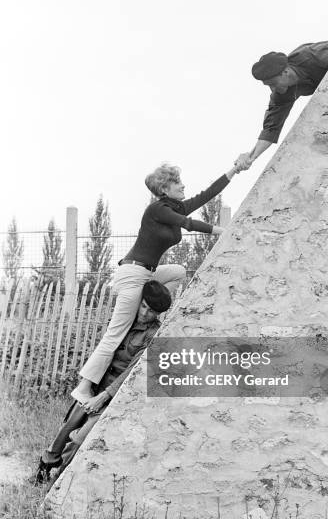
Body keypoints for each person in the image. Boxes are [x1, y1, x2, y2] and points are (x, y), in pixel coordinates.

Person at [72, 160, 247, 402]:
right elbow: (187, 224)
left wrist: (234, 171)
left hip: (146, 273)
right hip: (133, 275)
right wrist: (222, 231)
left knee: (177, 271)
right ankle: (83, 386)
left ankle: (148, 312)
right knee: (115, 333)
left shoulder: (174, 207)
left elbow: (207, 195)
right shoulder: (158, 210)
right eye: (177, 182)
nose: (183, 185)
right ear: (165, 189)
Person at [31, 280, 171, 485]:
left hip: (114, 394)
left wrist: (102, 398)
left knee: (80, 439)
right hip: (97, 382)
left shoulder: (152, 335)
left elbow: (131, 372)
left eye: (151, 311)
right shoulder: (125, 318)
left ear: (157, 314)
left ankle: (58, 480)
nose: (144, 313)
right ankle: (45, 467)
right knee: (69, 425)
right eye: (143, 306)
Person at [235, 30, 328, 170]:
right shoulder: (281, 95)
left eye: (273, 83)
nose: (272, 89)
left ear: (285, 73)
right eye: (268, 85)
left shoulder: (310, 55)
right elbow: (270, 130)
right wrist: (250, 157)